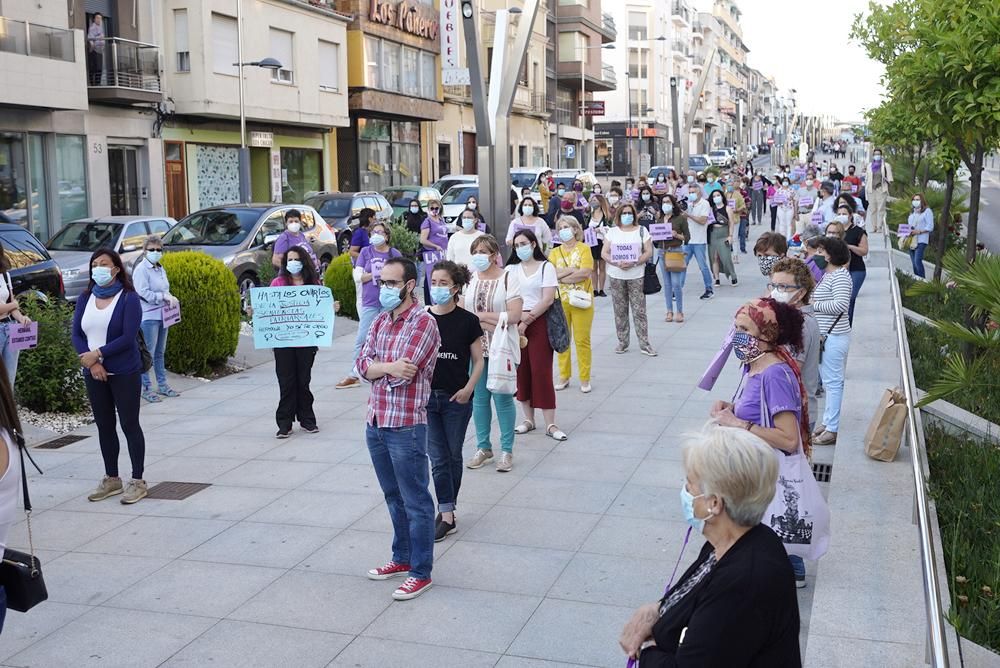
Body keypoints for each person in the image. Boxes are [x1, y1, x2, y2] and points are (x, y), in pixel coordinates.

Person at [619, 424, 801, 667]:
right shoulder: (729, 541)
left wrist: (645, 649)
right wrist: (658, 609)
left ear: (714, 503)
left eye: (689, 483)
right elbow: (694, 596)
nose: (684, 490)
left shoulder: (745, 580)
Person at [709, 297, 812, 588]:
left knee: (774, 535)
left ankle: (789, 568)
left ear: (766, 335)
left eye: (743, 328)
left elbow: (789, 439)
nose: (735, 334)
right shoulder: (753, 364)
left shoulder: (774, 373)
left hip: (769, 475)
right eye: (735, 326)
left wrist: (738, 423)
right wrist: (731, 407)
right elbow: (758, 409)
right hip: (755, 472)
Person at [357, 257, 441, 601]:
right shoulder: (379, 321)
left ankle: (421, 572)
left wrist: (381, 367)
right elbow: (361, 364)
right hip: (376, 421)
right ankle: (402, 557)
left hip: (405, 425)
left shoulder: (423, 323)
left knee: (416, 500)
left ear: (409, 285)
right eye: (382, 283)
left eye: (392, 283)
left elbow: (402, 376)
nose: (385, 289)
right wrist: (384, 367)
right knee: (393, 497)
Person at [72, 250, 148, 505]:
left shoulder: (129, 298)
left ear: (116, 268)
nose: (98, 269)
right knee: (104, 425)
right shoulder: (85, 298)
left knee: (129, 424)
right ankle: (112, 477)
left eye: (103, 264)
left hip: (124, 370)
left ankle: (137, 480)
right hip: (94, 371)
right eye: (94, 265)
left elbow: (127, 337)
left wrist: (98, 355)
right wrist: (92, 363)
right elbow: (76, 333)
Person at [426, 261, 484, 542]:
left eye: (442, 283)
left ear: (455, 288)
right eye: (433, 282)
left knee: (452, 455)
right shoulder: (423, 318)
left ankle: (448, 507)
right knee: (437, 458)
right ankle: (446, 514)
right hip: (426, 400)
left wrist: (468, 388)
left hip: (457, 400)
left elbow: (478, 360)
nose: (436, 287)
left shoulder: (467, 321)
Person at [464, 235, 522, 472]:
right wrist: (485, 320)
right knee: (479, 398)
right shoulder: (469, 279)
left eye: (484, 251)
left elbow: (515, 315)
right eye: (475, 250)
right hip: (475, 346)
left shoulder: (508, 277)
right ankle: (483, 446)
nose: (479, 255)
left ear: (494, 254)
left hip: (501, 347)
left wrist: (481, 318)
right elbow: (462, 312)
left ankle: (506, 450)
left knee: (502, 396)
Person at [507, 229, 567, 441]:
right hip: (516, 323)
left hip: (538, 322)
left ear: (533, 244)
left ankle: (550, 423)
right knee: (521, 371)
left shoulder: (546, 267)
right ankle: (528, 419)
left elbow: (547, 299)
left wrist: (527, 321)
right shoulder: (511, 269)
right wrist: (518, 322)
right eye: (516, 245)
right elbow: (508, 297)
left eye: (523, 243)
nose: (520, 248)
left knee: (541, 371)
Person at [336, 222, 402, 390]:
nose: (376, 235)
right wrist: (377, 274)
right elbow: (358, 276)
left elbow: (401, 276)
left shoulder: (394, 254)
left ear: (387, 236)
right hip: (370, 301)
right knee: (362, 338)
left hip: (390, 302)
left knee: (391, 338)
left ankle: (388, 370)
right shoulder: (366, 252)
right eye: (373, 232)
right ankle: (354, 373)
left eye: (380, 232)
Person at [268, 247, 324, 438]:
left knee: (303, 381)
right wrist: (256, 312)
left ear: (304, 261)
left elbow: (321, 310)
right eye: (289, 259)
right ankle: (284, 423)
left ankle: (307, 419)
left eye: (296, 259)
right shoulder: (278, 283)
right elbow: (268, 309)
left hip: (306, 342)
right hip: (283, 343)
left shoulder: (313, 284)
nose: (293, 262)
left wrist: (330, 307)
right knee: (286, 382)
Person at [810, 237, 853, 446]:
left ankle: (832, 429)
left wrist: (814, 304)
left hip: (834, 337)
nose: (818, 255)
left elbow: (841, 305)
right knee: (828, 383)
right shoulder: (828, 276)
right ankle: (827, 423)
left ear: (831, 254)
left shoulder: (840, 277)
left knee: (833, 383)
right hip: (826, 336)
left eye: (821, 251)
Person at [770, 258, 820, 431]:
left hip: (795, 413)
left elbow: (789, 371)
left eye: (783, 287)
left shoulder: (801, 324)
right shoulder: (790, 318)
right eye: (773, 285)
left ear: (800, 293)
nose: (775, 292)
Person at [602, 202, 657, 356]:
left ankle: (644, 343)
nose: (627, 216)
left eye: (630, 213)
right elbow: (604, 252)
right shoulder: (612, 232)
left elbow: (648, 251)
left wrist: (635, 262)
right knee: (620, 310)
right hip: (616, 275)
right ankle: (622, 341)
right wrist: (616, 262)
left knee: (639, 310)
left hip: (636, 275)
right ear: (619, 215)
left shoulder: (641, 231)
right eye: (624, 213)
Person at [132, 236, 179, 403]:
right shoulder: (141, 269)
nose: (155, 252)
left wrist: (170, 297)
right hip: (149, 316)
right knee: (148, 354)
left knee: (160, 352)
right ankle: (146, 388)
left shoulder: (160, 268)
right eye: (151, 249)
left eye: (158, 250)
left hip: (163, 315)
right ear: (145, 251)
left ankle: (163, 385)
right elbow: (143, 293)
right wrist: (163, 297)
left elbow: (165, 288)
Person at [550, 216, 594, 393]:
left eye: (566, 227)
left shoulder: (584, 249)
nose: (563, 231)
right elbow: (551, 273)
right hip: (560, 301)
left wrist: (563, 275)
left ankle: (584, 378)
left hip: (582, 300)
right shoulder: (554, 252)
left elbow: (584, 273)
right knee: (563, 340)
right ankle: (564, 375)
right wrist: (570, 270)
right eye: (560, 228)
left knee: (582, 340)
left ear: (575, 229)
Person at [0, 242, 30, 389]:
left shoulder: (5, 275)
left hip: (9, 328)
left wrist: (21, 318)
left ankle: (7, 411)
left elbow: (11, 304)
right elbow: (13, 304)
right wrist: (14, 305)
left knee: (9, 380)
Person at [657, 194, 689, 323]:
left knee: (676, 283)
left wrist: (677, 235)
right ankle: (669, 310)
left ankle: (679, 311)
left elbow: (687, 238)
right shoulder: (659, 219)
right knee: (667, 284)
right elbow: (656, 237)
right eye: (663, 202)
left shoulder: (680, 219)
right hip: (662, 252)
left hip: (675, 251)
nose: (666, 204)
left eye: (668, 202)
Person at [681, 184, 715, 300]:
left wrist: (689, 215)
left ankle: (709, 289)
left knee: (703, 266)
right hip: (688, 241)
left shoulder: (705, 204)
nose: (691, 194)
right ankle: (678, 290)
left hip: (699, 241)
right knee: (682, 265)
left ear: (699, 192)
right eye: (690, 192)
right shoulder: (689, 204)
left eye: (693, 192)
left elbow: (702, 220)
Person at [840, 200, 869, 325]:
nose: (841, 216)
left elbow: (864, 251)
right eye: (839, 213)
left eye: (844, 213)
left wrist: (850, 247)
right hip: (839, 268)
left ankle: (848, 324)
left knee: (850, 298)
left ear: (850, 215)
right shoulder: (834, 230)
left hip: (856, 269)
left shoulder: (858, 231)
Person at [420, 199, 449, 303]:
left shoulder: (441, 220)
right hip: (432, 254)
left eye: (436, 208)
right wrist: (435, 246)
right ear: (428, 209)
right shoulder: (427, 222)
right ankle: (429, 302)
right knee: (430, 276)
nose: (434, 210)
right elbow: (423, 240)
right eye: (432, 208)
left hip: (442, 254)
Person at [707, 190, 738, 287]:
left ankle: (733, 275)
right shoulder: (711, 209)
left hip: (723, 233)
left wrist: (730, 235)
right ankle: (716, 278)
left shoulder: (728, 208)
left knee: (726, 257)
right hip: (712, 234)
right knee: (714, 257)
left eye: (718, 195)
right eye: (714, 196)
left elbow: (731, 223)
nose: (716, 197)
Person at [587, 194, 611, 297]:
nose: (593, 202)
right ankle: (594, 289)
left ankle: (601, 289)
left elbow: (610, 229)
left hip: (602, 243)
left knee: (602, 266)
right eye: (592, 200)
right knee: (593, 267)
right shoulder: (589, 215)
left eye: (595, 200)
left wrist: (600, 230)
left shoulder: (606, 216)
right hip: (591, 243)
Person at [904, 193, 934, 278]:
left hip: (921, 240)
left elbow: (930, 226)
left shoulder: (927, 211)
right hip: (911, 240)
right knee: (914, 263)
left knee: (917, 261)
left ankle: (922, 280)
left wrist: (919, 231)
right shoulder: (912, 213)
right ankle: (916, 279)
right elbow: (910, 226)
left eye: (917, 199)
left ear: (922, 201)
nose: (915, 201)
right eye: (914, 200)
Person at [864, 149, 893, 232]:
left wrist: (886, 180)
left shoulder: (885, 166)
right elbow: (867, 178)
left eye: (878, 154)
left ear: (881, 155)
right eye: (875, 154)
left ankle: (880, 227)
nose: (877, 156)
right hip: (871, 189)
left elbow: (890, 179)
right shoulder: (869, 166)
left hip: (881, 188)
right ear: (873, 156)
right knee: (873, 209)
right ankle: (874, 227)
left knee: (881, 208)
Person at [87, 13, 105, 85]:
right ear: (94, 19)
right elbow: (90, 39)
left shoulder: (100, 28)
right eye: (97, 18)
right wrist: (98, 39)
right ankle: (93, 84)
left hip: (100, 50)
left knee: (99, 69)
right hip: (94, 50)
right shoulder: (92, 28)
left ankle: (98, 83)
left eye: (100, 18)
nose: (99, 20)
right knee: (95, 68)